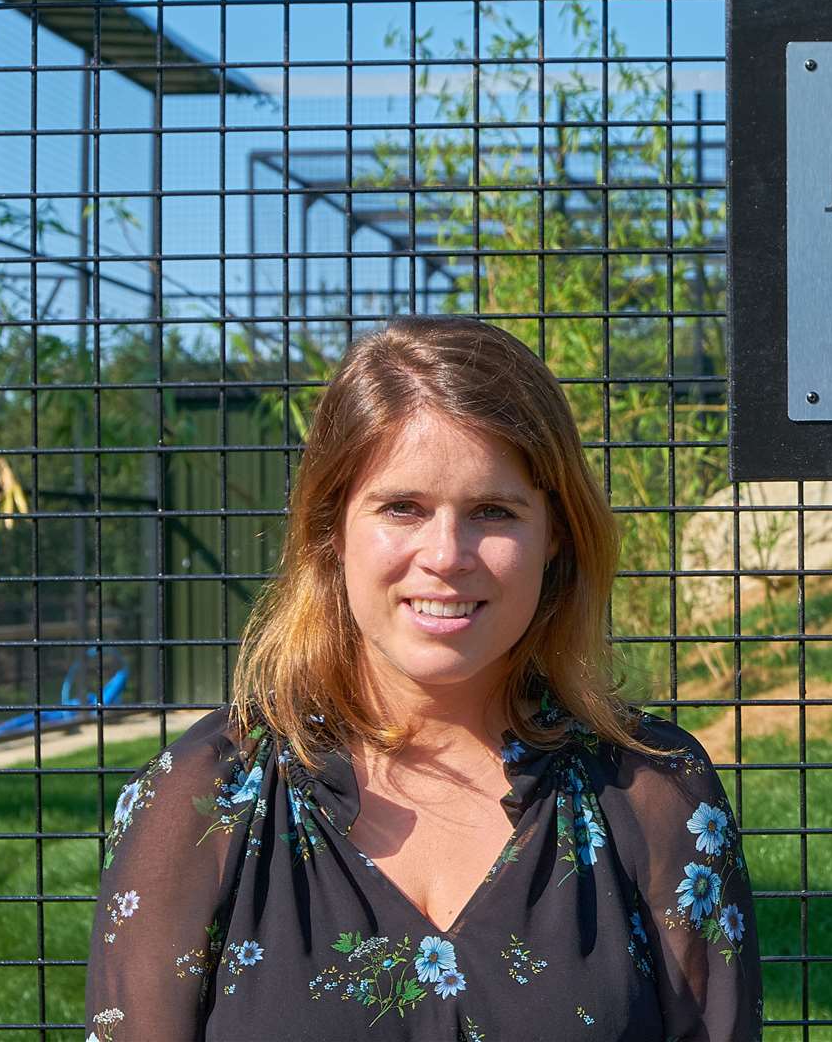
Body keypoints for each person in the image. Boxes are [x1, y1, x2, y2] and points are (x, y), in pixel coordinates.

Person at [85, 317, 762, 1041]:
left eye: (492, 511)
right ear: (331, 525)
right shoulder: (204, 803)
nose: (446, 555)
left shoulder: (654, 793)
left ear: (556, 534)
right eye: (402, 507)